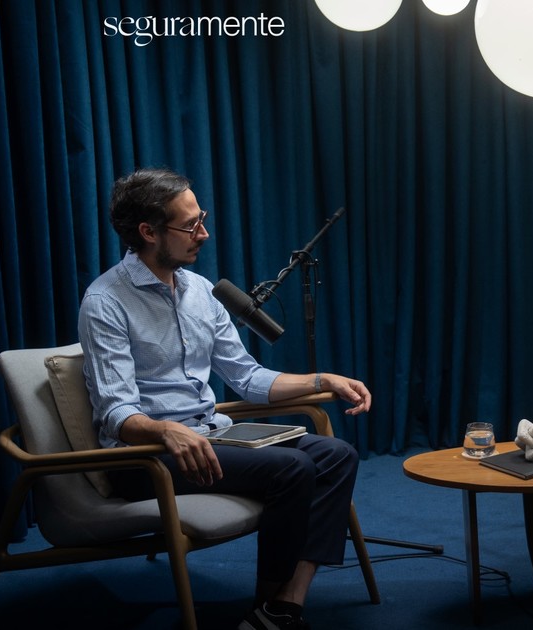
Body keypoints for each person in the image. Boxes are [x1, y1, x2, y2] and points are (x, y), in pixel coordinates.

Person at [78, 167, 372, 630]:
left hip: (212, 438)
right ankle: (270, 608)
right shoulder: (105, 302)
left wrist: (322, 380)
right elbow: (116, 412)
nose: (204, 233)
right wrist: (165, 430)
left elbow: (248, 378)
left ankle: (282, 605)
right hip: (146, 458)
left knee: (337, 455)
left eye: (203, 219)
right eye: (190, 225)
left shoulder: (200, 290)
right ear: (149, 232)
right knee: (293, 468)